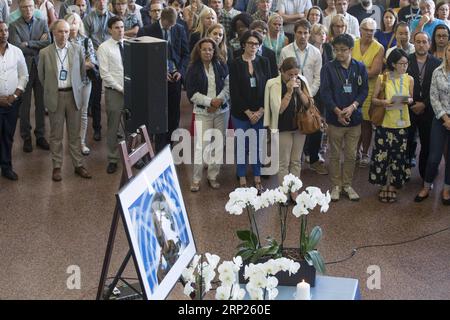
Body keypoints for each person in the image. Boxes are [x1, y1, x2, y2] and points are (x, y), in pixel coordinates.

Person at [38, 19, 92, 181]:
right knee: (56, 135)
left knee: (75, 134)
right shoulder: (45, 53)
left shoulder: (77, 50)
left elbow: (82, 73)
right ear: (54, 33)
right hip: (56, 96)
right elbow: (42, 77)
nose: (64, 35)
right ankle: (56, 166)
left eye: (67, 31)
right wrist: (52, 89)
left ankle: (78, 165)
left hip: (73, 96)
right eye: (61, 31)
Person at [320, 33, 369, 201]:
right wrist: (337, 111)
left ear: (351, 50)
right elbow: (325, 93)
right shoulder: (328, 67)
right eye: (336, 50)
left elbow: (364, 91)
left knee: (350, 154)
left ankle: (347, 185)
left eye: (343, 50)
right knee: (334, 155)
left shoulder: (359, 67)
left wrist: (353, 106)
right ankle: (335, 185)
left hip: (354, 118)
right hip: (335, 119)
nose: (339, 53)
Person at [138, 7, 189, 152]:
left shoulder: (179, 29)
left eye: (173, 24)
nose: (171, 27)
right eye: (169, 24)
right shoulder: (146, 31)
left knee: (173, 114)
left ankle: (169, 145)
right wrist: (158, 73)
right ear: (162, 19)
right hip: (155, 81)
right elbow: (142, 59)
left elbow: (185, 54)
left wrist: (180, 71)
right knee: (157, 114)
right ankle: (157, 147)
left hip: (175, 77)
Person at [370, 48, 414, 203]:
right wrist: (384, 102)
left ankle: (393, 186)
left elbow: (411, 98)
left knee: (398, 156)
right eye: (401, 63)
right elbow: (374, 100)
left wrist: (408, 100)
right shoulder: (383, 78)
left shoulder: (409, 79)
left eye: (406, 63)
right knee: (382, 155)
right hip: (385, 122)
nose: (404, 66)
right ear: (394, 64)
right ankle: (383, 185)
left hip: (402, 123)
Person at [186, 38, 230, 192]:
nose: (207, 52)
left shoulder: (221, 64)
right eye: (204, 49)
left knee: (218, 144)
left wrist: (219, 100)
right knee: (201, 146)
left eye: (210, 49)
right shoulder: (193, 68)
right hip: (203, 112)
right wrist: (210, 102)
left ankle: (212, 176)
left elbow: (227, 85)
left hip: (222, 111)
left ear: (214, 50)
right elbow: (191, 93)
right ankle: (196, 179)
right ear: (199, 51)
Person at [229, 30, 271, 191]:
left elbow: (268, 87)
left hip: (260, 112)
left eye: (256, 44)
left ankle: (257, 176)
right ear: (243, 44)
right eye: (250, 43)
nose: (253, 46)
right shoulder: (235, 63)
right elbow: (235, 91)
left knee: (257, 146)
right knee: (242, 145)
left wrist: (260, 111)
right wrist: (248, 112)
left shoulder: (264, 61)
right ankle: (241, 176)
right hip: (241, 113)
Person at [9, 0, 51, 153]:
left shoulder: (42, 21)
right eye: (24, 7)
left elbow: (48, 42)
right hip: (23, 70)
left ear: (35, 8)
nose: (28, 9)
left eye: (30, 7)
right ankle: (26, 136)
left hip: (40, 68)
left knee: (41, 104)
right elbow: (16, 47)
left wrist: (28, 44)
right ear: (19, 9)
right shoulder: (13, 26)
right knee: (24, 106)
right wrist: (36, 44)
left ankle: (40, 135)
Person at [264, 57, 311, 187]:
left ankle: (294, 190)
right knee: (283, 162)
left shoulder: (302, 80)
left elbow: (308, 105)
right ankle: (284, 192)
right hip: (282, 127)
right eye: (290, 74)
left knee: (296, 160)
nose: (293, 77)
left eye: (296, 74)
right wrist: (289, 92)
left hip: (300, 126)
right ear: (282, 72)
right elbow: (278, 110)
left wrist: (300, 91)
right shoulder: (273, 84)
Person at [415, 43, 450, 206]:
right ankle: (427, 186)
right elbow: (434, 98)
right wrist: (445, 118)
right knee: (434, 156)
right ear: (446, 52)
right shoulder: (437, 72)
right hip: (439, 118)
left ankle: (447, 188)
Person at [406, 32, 441, 178]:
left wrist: (424, 104)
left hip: (428, 109)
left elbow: (437, 89)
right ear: (413, 43)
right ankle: (404, 170)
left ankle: (424, 175)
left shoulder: (437, 63)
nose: (421, 44)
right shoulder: (406, 61)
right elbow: (402, 85)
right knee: (407, 141)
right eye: (418, 41)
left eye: (424, 41)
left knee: (427, 143)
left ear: (429, 44)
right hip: (409, 108)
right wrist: (414, 103)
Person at [352, 18, 384, 167]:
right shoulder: (353, 43)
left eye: (372, 30)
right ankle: (354, 152)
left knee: (365, 122)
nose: (369, 33)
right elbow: (345, 64)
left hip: (369, 89)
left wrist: (354, 73)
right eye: (366, 29)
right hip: (351, 88)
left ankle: (365, 153)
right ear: (360, 30)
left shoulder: (379, 47)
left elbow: (375, 71)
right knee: (353, 122)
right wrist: (363, 70)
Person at [66, 12, 98, 156]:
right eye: (70, 22)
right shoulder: (62, 41)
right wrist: (81, 64)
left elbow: (92, 63)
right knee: (71, 113)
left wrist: (75, 66)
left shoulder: (86, 41)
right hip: (67, 84)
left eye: (76, 22)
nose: (73, 25)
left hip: (85, 82)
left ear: (80, 25)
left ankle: (82, 142)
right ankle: (72, 141)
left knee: (83, 113)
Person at [83, 0, 115, 142]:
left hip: (111, 61)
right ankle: (97, 128)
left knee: (113, 98)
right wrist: (96, 52)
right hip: (95, 60)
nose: (102, 2)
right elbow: (85, 40)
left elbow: (116, 39)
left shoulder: (113, 18)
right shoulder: (88, 18)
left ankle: (115, 129)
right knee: (96, 98)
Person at [0, 21, 28, 181]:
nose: (3, 34)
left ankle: (6, 167)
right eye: (0, 31)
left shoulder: (16, 52)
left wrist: (15, 95)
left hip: (12, 102)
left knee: (8, 136)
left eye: (5, 30)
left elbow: (24, 76)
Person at [97, 16, 125, 174]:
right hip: (114, 91)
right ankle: (113, 159)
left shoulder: (129, 44)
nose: (120, 30)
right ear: (110, 29)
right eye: (116, 27)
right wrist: (120, 88)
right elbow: (105, 74)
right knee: (114, 126)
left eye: (121, 27)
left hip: (131, 91)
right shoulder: (104, 47)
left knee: (131, 126)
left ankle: (132, 155)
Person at [308, 23, 332, 175]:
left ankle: (315, 155)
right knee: (309, 123)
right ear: (312, 35)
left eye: (324, 33)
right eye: (318, 33)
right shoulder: (309, 50)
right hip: (311, 90)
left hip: (325, 89)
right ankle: (310, 155)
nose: (322, 36)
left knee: (320, 124)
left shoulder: (328, 48)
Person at [279, 19, 322, 102]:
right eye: (299, 32)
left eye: (305, 33)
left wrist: (309, 94)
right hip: (289, 94)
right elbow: (281, 74)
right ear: (295, 33)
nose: (302, 36)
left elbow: (318, 77)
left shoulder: (316, 52)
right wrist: (288, 90)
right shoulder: (285, 51)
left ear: (309, 34)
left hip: (310, 95)